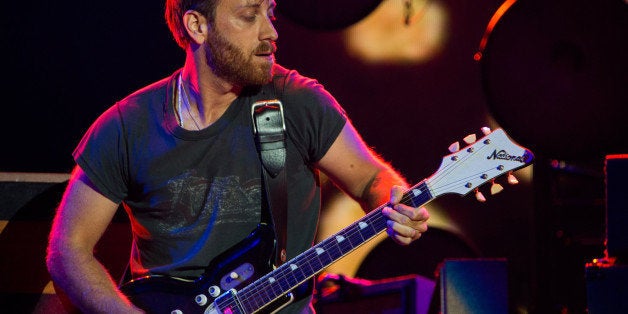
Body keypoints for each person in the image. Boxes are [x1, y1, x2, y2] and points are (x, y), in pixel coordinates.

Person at [45, 0, 430, 313]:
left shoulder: (297, 102)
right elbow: (67, 251)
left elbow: (371, 180)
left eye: (270, 13)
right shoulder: (126, 126)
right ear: (197, 26)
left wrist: (395, 203)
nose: (271, 32)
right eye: (249, 15)